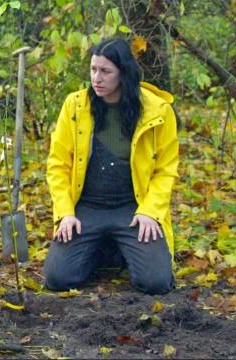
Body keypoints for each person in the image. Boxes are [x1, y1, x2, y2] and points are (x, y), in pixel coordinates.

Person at [44, 38, 179, 295]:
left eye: (106, 71)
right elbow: (58, 165)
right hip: (86, 208)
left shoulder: (158, 111)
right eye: (93, 69)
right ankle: (102, 250)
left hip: (133, 209)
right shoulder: (75, 105)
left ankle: (116, 247)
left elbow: (166, 170)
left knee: (156, 282)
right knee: (57, 278)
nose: (97, 78)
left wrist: (150, 211)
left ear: (123, 73)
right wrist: (65, 213)